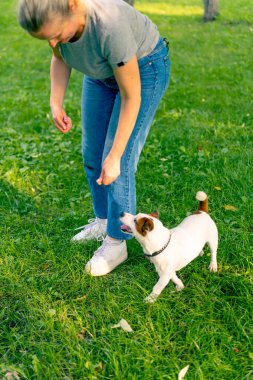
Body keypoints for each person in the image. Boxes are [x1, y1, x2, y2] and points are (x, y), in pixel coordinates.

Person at [17, 0, 170, 276]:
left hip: (144, 70)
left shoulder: (110, 26)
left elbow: (131, 96)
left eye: (55, 34)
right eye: (46, 37)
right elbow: (59, 57)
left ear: (73, 6)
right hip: (102, 75)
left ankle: (117, 241)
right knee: (92, 154)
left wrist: (114, 155)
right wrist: (56, 102)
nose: (52, 42)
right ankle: (103, 220)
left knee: (116, 161)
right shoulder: (56, 22)